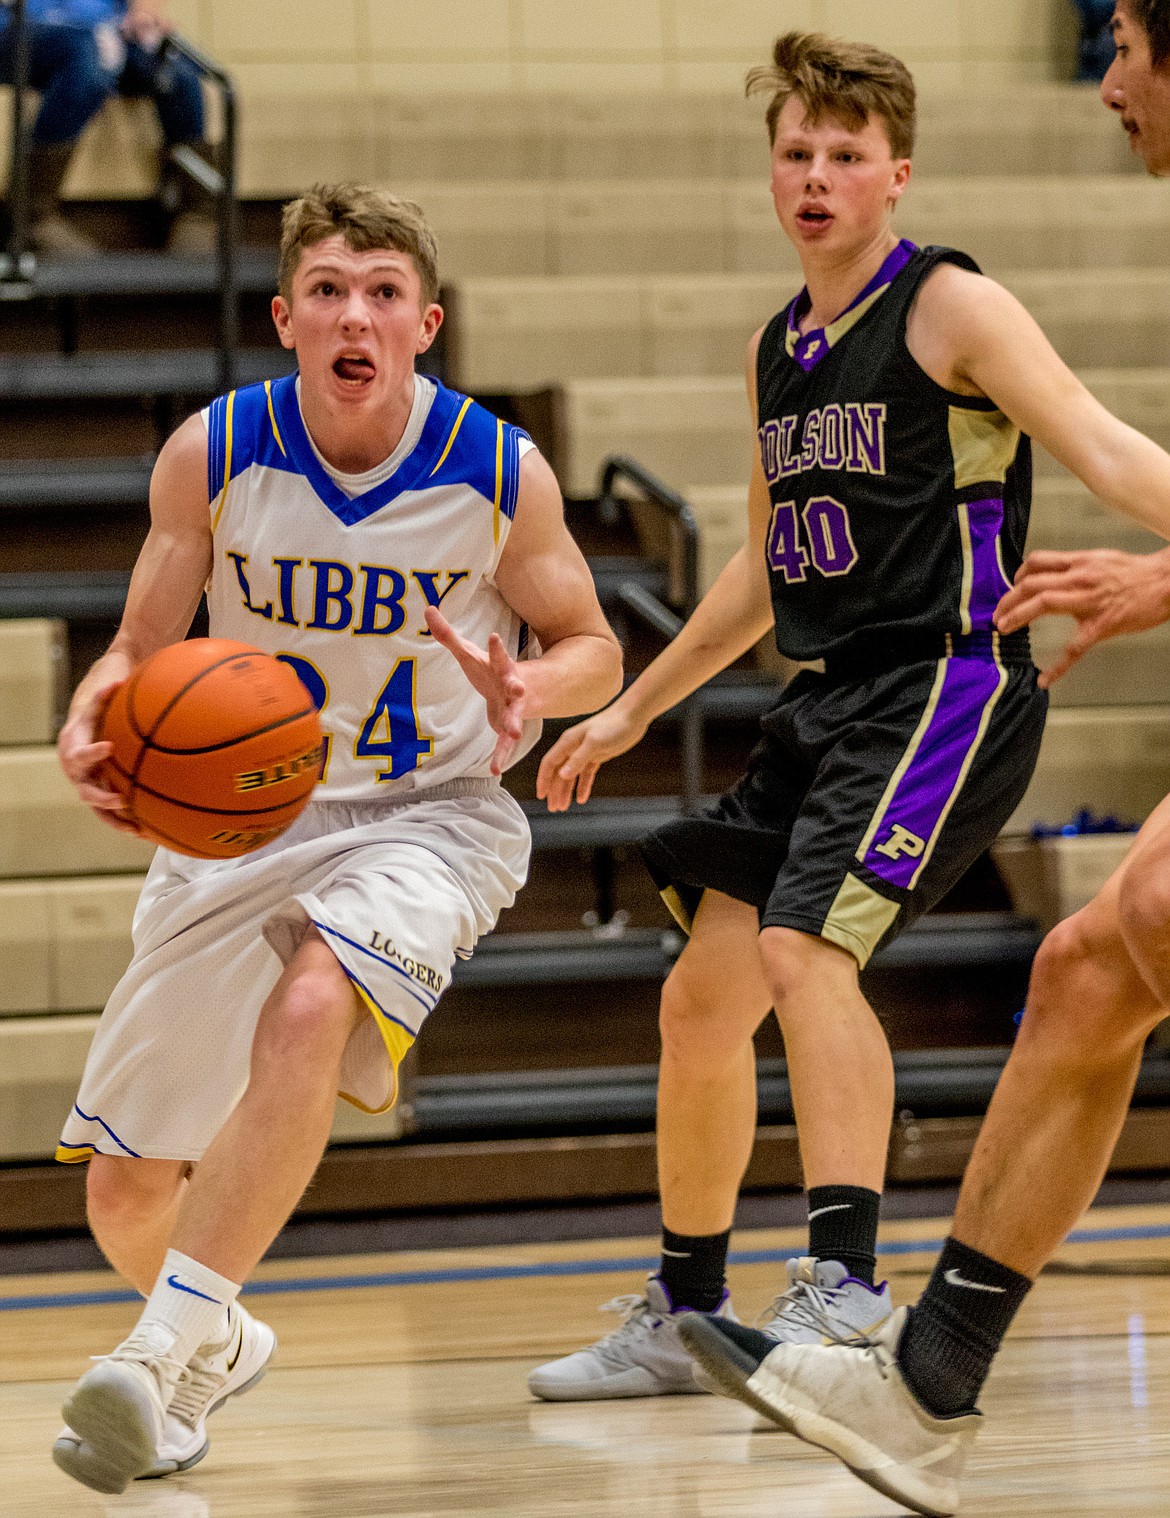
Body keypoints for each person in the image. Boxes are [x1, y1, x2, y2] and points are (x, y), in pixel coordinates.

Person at [529, 20, 1170, 1430]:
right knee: (700, 991)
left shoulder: (947, 306)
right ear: (769, 173)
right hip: (827, 698)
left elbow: (1104, 445)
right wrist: (636, 703)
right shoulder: (778, 349)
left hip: (941, 684)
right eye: (795, 153)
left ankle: (843, 1284)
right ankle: (686, 1302)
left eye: (845, 156)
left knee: (800, 949)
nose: (816, 176)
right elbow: (763, 568)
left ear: (897, 177)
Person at [49, 182, 622, 1494]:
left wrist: (533, 686)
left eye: (378, 293)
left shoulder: (495, 469)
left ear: (423, 324)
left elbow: (594, 645)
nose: (351, 313)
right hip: (243, 815)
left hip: (427, 813)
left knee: (317, 995)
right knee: (126, 1193)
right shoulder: (213, 452)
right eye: (326, 289)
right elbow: (141, 642)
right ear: (285, 318)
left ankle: (151, 1356)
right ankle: (216, 1334)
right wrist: (99, 701)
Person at [0, 0, 211, 256]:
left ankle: (195, 215)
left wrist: (143, 11)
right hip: (18, 26)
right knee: (89, 57)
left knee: (177, 67)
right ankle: (31, 217)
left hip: (110, 29)